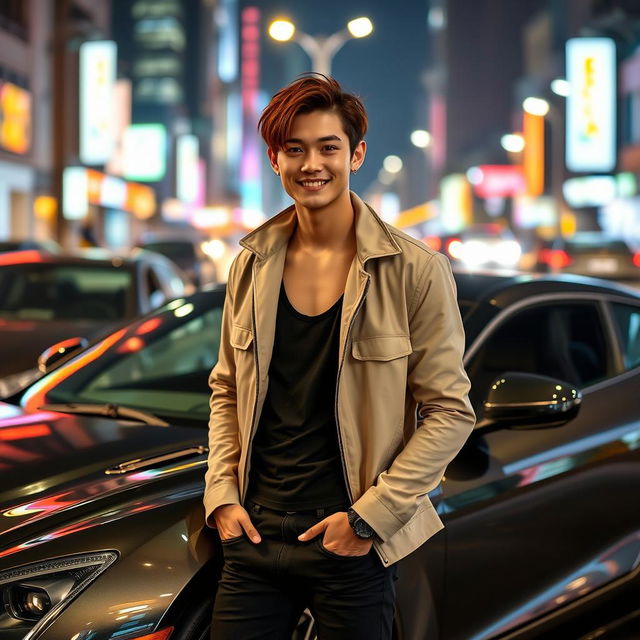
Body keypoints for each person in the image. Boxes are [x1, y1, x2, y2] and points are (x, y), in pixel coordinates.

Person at [204, 73, 475, 640]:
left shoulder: (415, 270)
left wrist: (369, 520)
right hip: (253, 535)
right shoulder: (251, 264)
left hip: (350, 542)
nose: (311, 165)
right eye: (294, 150)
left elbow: (450, 412)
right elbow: (227, 388)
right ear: (275, 160)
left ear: (356, 153)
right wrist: (222, 496)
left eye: (328, 147)